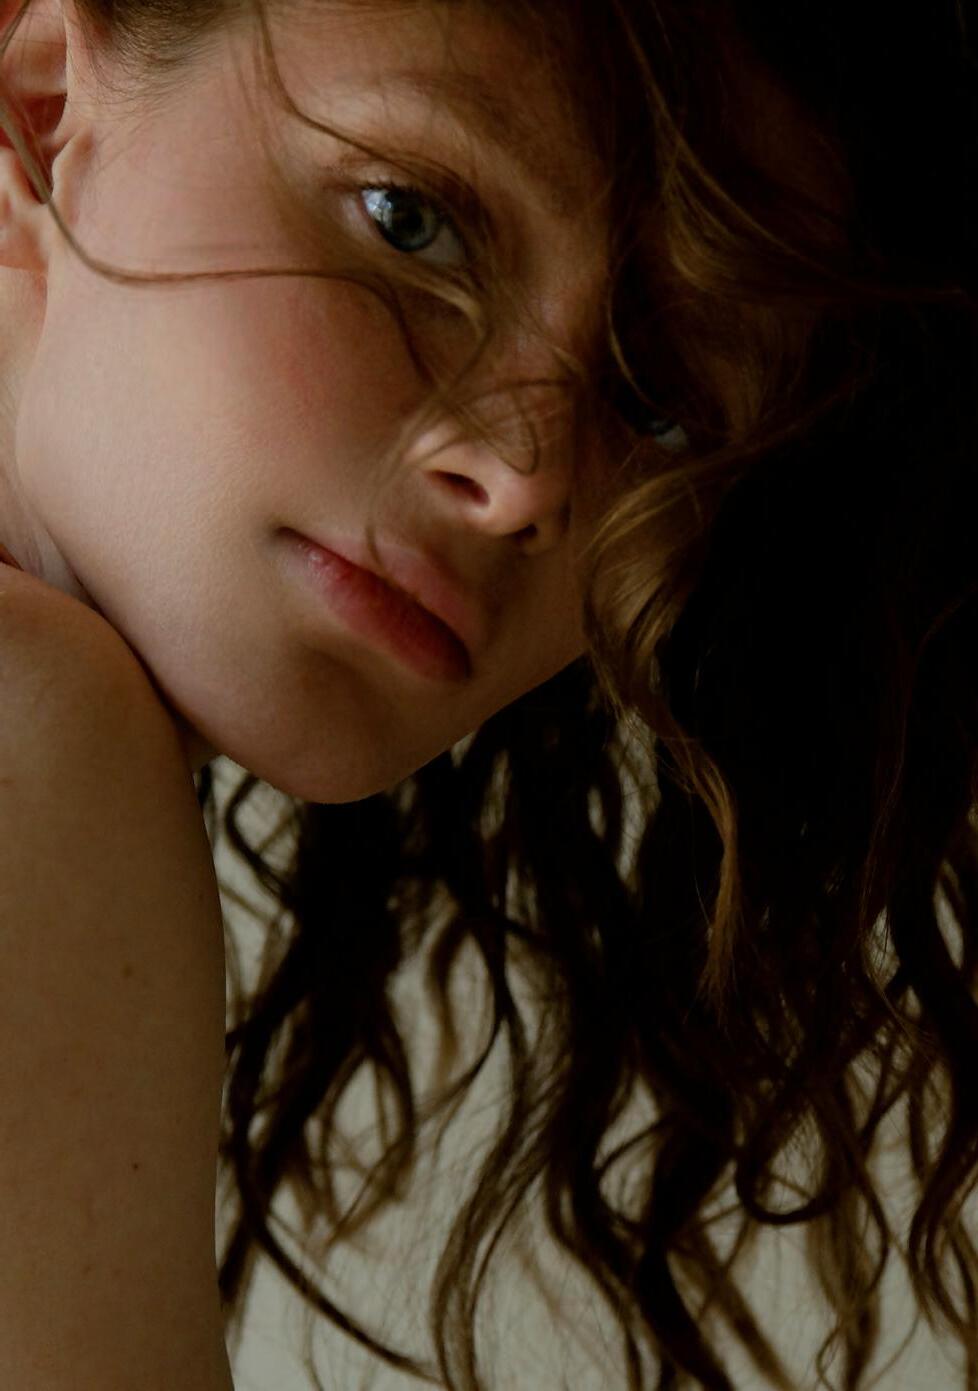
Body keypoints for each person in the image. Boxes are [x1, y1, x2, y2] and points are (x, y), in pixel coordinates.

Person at [0, 0, 974, 1388]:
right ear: (44, 104)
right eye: (410, 224)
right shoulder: (30, 727)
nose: (523, 478)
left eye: (659, 400)